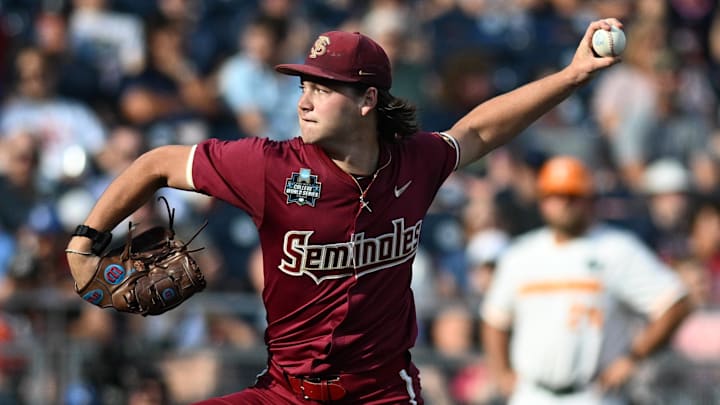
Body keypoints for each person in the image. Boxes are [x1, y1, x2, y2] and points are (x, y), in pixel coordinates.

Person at [66, 19, 623, 404]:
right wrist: (85, 240)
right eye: (304, 84)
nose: (305, 99)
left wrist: (573, 75)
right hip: (286, 393)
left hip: (381, 392)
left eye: (324, 87)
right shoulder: (270, 168)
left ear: (366, 100)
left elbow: (478, 128)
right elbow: (158, 162)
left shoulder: (415, 163)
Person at [481, 156, 692, 405]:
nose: (564, 204)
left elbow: (675, 302)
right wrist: (502, 373)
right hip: (531, 393)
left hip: (593, 393)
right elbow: (495, 318)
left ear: (590, 200)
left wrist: (634, 357)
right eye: (554, 195)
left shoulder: (617, 249)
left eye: (573, 195)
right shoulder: (521, 254)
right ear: (542, 201)